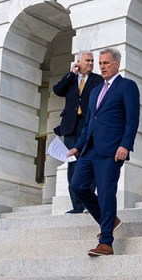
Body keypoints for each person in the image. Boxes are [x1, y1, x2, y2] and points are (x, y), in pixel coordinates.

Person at [67, 48, 139, 257]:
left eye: (106, 63)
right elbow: (89, 123)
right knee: (78, 186)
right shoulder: (96, 90)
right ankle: (110, 220)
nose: (102, 67)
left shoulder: (127, 86)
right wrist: (78, 146)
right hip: (89, 150)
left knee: (107, 193)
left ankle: (106, 242)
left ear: (117, 64)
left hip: (112, 150)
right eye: (100, 64)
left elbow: (132, 119)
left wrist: (125, 145)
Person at [52, 51, 103, 213]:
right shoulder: (71, 79)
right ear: (78, 62)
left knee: (90, 162)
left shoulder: (98, 80)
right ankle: (77, 205)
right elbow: (57, 90)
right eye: (87, 60)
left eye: (92, 61)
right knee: (72, 165)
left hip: (89, 125)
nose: (91, 63)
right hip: (71, 126)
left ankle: (89, 201)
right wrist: (71, 74)